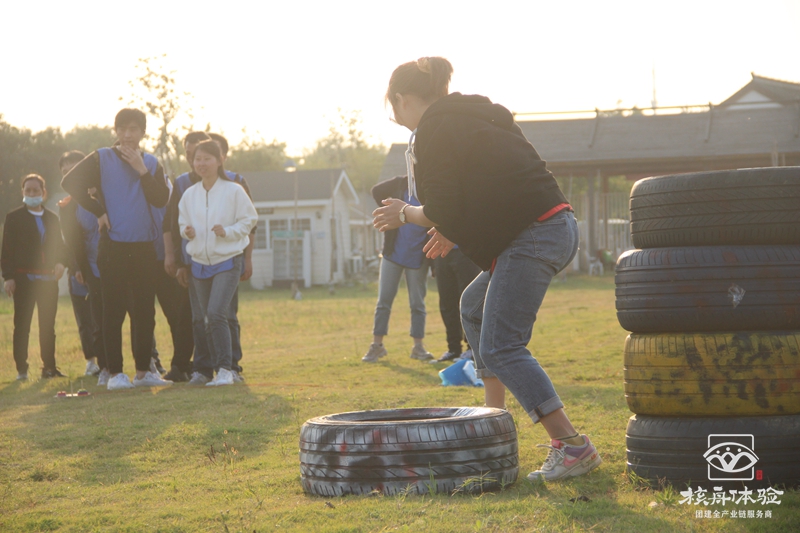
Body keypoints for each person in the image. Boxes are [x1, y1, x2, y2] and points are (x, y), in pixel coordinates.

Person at [373, 57, 601, 482]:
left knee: (502, 345)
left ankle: (572, 445)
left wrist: (406, 213)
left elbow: (443, 205)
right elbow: (490, 185)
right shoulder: (475, 115)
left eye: (393, 108)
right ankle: (494, 423)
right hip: (553, 224)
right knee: (473, 307)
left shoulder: (434, 130)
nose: (396, 117)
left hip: (533, 234)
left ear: (402, 99)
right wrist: (451, 229)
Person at [61, 108, 173, 390]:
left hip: (144, 246)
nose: (127, 134)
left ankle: (143, 372)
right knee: (113, 311)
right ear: (116, 131)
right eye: (122, 129)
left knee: (145, 312)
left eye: (133, 129)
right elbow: (69, 182)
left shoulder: (152, 163)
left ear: (143, 132)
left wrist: (142, 170)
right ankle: (115, 374)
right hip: (113, 246)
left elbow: (161, 199)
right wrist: (98, 211)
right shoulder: (101, 157)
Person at [178, 140, 257, 386]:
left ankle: (226, 369)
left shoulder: (234, 190)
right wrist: (187, 231)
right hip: (199, 263)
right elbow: (181, 223)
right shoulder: (189, 194)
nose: (201, 163)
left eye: (207, 159)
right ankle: (204, 371)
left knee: (216, 313)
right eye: (197, 159)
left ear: (220, 160)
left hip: (227, 260)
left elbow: (249, 220)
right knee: (203, 318)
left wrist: (228, 232)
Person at [2, 174, 68, 380]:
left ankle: (49, 368)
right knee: (22, 326)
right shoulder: (14, 218)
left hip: (48, 282)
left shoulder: (52, 218)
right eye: (28, 190)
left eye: (36, 190)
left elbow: (60, 247)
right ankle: (22, 369)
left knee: (48, 327)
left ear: (43, 193)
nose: (32, 194)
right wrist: (8, 277)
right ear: (22, 192)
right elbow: (7, 251)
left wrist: (61, 262)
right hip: (24, 280)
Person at [362, 175, 434, 363]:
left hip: (417, 257)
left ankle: (418, 347)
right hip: (392, 254)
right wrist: (386, 212)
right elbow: (376, 191)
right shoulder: (401, 184)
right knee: (383, 302)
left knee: (417, 304)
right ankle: (377, 346)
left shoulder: (430, 188)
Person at [57, 150, 103, 377]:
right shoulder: (65, 206)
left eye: (73, 171)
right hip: (81, 269)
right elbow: (70, 240)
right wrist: (76, 268)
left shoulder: (102, 197)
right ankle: (91, 361)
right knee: (85, 318)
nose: (70, 177)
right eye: (65, 173)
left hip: (106, 265)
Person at [432, 245, 480, 362]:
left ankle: (472, 348)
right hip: (441, 251)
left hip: (465, 250)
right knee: (447, 302)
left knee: (468, 302)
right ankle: (453, 349)